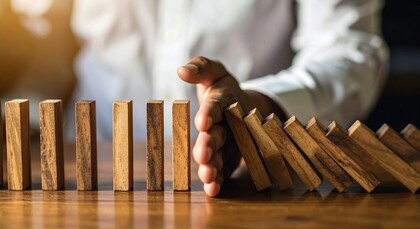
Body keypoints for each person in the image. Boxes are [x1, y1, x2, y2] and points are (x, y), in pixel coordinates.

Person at [73, 0, 387, 196]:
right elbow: (45, 39)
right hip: (87, 168)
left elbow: (347, 52)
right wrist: (33, 108)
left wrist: (260, 107)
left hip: (255, 176)